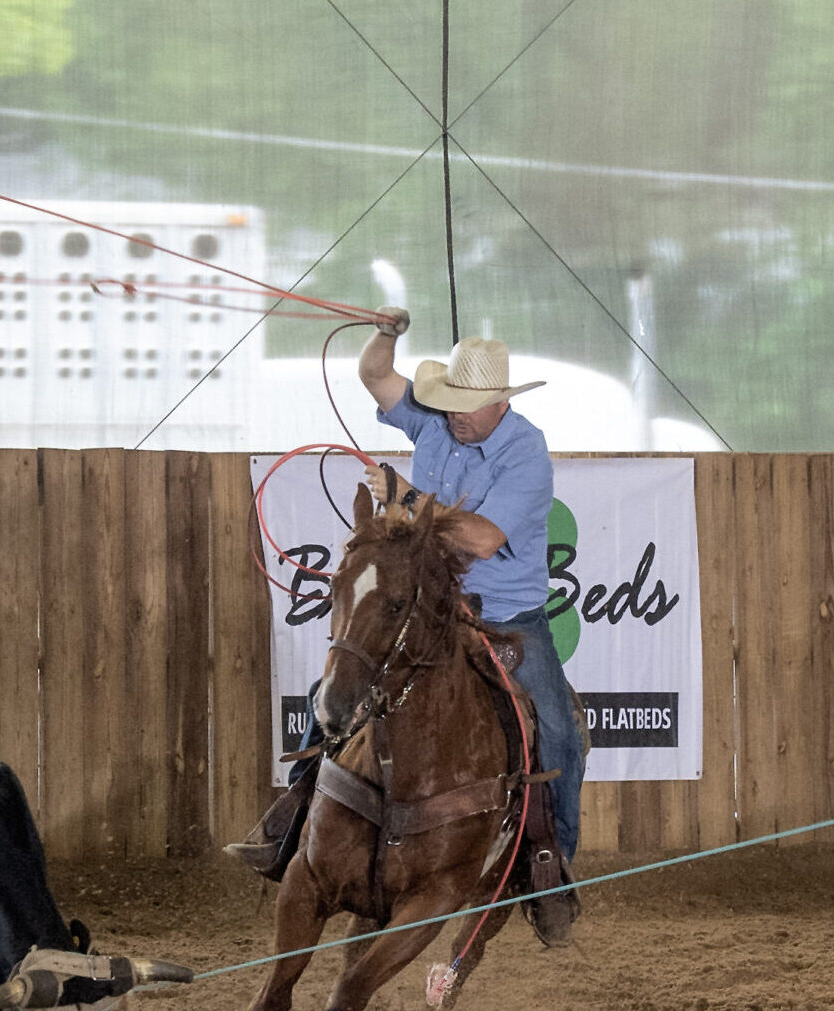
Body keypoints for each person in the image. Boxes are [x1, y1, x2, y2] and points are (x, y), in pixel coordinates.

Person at [227, 310, 588, 915]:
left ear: (499, 403)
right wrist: (387, 333)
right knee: (337, 689)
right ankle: (292, 823)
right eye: (450, 403)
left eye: (466, 407)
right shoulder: (438, 421)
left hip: (506, 619)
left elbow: (483, 540)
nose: (454, 415)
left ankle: (549, 866)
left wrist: (409, 498)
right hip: (432, 605)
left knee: (558, 732)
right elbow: (374, 374)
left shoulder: (526, 451)